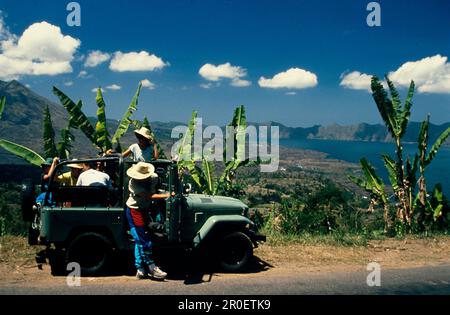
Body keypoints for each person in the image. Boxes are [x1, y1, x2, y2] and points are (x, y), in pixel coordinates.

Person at [126, 162, 169, 280]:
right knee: (143, 240)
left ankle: (140, 269)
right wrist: (167, 195)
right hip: (134, 211)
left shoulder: (153, 178)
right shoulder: (133, 183)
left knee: (139, 240)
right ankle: (151, 267)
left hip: (144, 210)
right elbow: (148, 196)